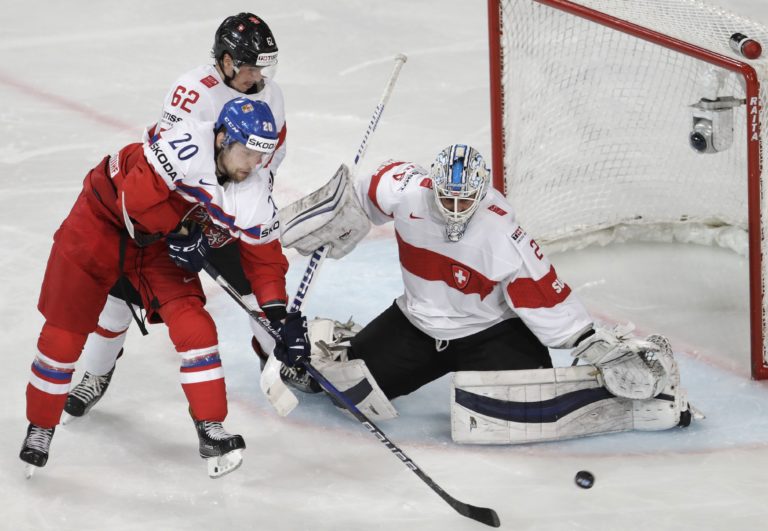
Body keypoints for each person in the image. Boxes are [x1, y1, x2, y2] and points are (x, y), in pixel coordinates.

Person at [276, 144, 700, 444]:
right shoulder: (407, 190)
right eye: (446, 198)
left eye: (464, 201)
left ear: (481, 193)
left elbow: (542, 293)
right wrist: (341, 212)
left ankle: (639, 402)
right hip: (416, 325)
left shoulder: (501, 231)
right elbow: (364, 190)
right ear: (432, 186)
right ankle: (339, 344)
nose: (453, 209)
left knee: (536, 406)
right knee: (346, 395)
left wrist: (589, 341)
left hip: (490, 333)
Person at [20, 97, 309, 478]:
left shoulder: (252, 186)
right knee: (63, 336)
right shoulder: (185, 142)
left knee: (196, 327)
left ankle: (211, 427)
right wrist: (182, 230)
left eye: (262, 155)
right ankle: (40, 426)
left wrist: (277, 315)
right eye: (248, 152)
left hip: (155, 247)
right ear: (222, 138)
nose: (255, 164)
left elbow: (265, 259)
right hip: (98, 226)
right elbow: (135, 200)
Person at [64, 12, 289, 419]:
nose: (258, 77)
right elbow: (166, 172)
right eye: (251, 67)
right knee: (120, 297)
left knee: (258, 291)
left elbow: (269, 160)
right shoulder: (193, 91)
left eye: (263, 68)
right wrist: (181, 229)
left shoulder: (270, 95)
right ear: (226, 60)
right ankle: (96, 371)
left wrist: (249, 207)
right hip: (174, 212)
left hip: (225, 208)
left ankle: (280, 359)